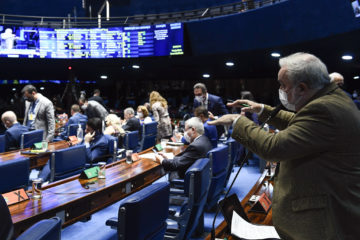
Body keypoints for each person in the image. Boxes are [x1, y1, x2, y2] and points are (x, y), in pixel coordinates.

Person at [209, 52, 360, 239]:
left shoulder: (324, 109)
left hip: (325, 221)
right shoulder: (331, 99)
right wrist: (262, 110)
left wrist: (236, 121)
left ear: (302, 88)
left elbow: (273, 148)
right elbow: (299, 121)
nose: (280, 90)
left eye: (283, 85)